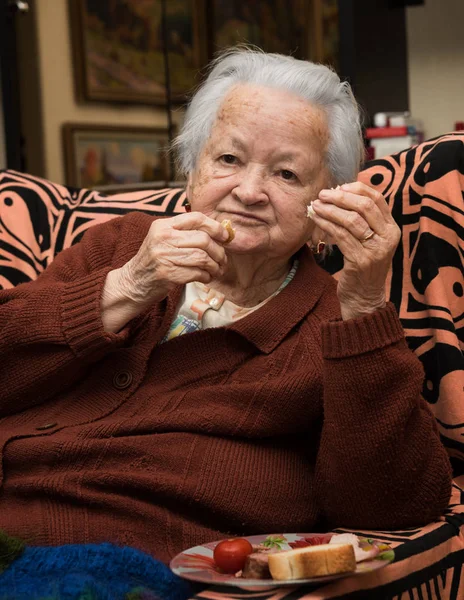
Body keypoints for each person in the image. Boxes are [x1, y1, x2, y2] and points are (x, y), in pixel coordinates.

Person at [0, 48, 451, 565]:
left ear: (326, 200)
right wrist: (125, 288)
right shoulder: (120, 249)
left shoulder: (335, 326)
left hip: (120, 562)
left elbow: (393, 504)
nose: (249, 191)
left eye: (286, 174)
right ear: (192, 172)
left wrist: (366, 306)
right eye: (229, 160)